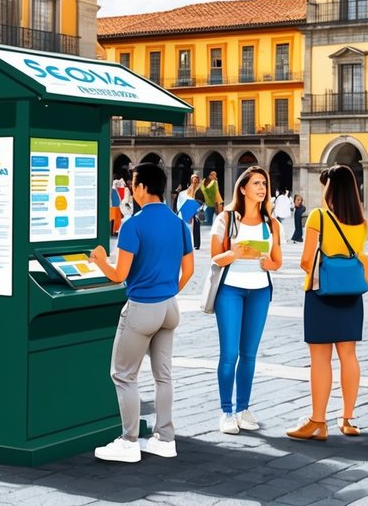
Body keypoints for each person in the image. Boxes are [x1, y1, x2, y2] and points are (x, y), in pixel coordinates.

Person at [89, 163, 195, 462]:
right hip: (169, 307)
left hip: (141, 309)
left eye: (133, 184)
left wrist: (99, 259)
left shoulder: (132, 225)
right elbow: (189, 269)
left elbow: (119, 273)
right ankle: (165, 438)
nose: (132, 190)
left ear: (142, 187)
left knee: (123, 376)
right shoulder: (177, 222)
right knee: (163, 377)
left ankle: (129, 441)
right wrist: (169, 290)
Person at [288, 165, 368, 441]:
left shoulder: (318, 216)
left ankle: (318, 421)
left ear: (330, 188)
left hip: (321, 294)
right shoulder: (361, 221)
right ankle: (348, 419)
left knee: (320, 359)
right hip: (351, 295)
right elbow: (358, 255)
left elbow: (305, 260)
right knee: (349, 356)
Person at [210, 166, 283, 435]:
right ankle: (226, 411)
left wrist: (268, 263)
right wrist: (234, 253)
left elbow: (278, 261)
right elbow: (215, 258)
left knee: (249, 354)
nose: (262, 188)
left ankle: (243, 408)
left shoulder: (272, 223)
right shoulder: (226, 219)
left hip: (260, 291)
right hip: (230, 290)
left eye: (264, 183)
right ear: (243, 188)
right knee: (229, 354)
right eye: (256, 183)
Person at [177, 174, 203, 251]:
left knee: (196, 227)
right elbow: (181, 201)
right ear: (191, 180)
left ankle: (196, 245)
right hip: (186, 211)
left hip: (196, 211)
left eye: (196, 180)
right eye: (193, 180)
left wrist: (198, 207)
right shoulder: (184, 192)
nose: (194, 181)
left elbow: (203, 201)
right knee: (184, 228)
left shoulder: (200, 191)